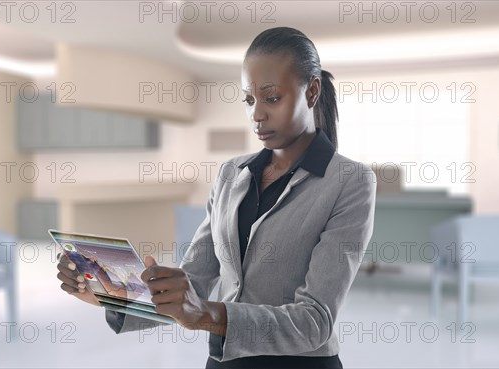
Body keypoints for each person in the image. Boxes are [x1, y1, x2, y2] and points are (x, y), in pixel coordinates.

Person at [57, 26, 376, 369]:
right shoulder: (230, 174)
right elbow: (195, 278)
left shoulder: (350, 181)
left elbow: (315, 321)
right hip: (225, 361)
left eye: (271, 98)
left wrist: (207, 314)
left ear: (311, 92)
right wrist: (113, 295)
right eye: (249, 100)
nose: (256, 114)